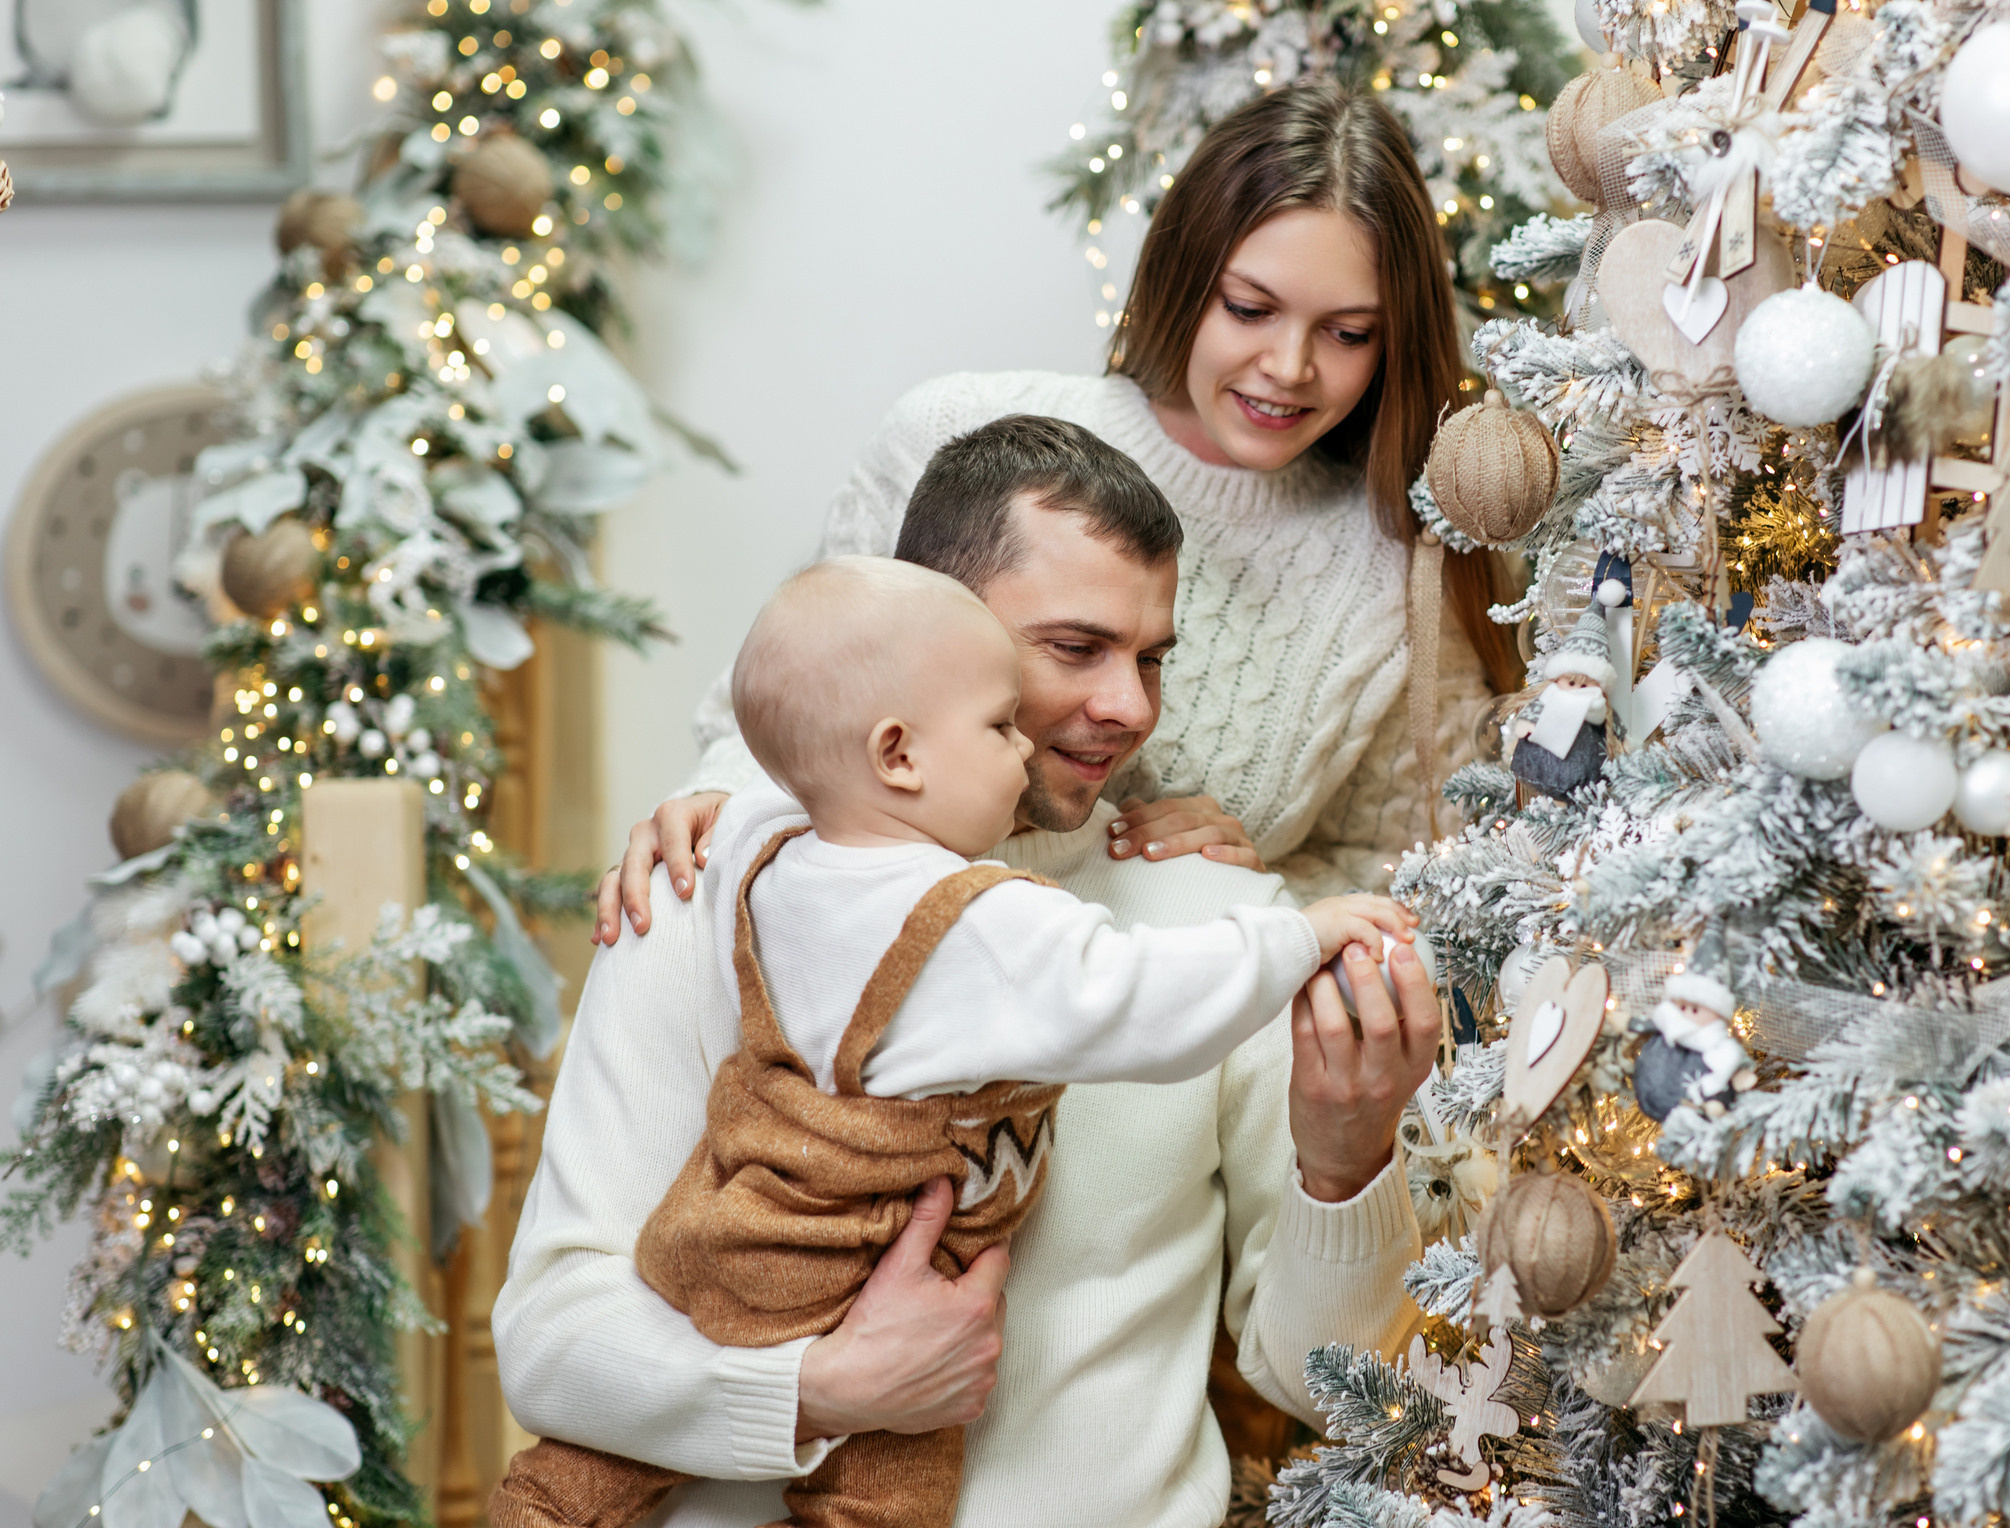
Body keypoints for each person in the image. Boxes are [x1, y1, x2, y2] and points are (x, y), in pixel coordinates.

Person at [494, 417, 1441, 1528]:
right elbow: (550, 1341)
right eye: (1075, 649)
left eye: (1150, 658)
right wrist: (817, 1393)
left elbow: (1334, 1384)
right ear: (930, 636)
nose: (1131, 708)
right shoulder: (707, 884)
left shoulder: (1216, 928)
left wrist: (1347, 1162)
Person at [597, 80, 1518, 942]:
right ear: (1184, 277)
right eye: (1249, 308)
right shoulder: (953, 432)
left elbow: (1418, 872)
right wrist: (715, 805)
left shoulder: (1400, 560)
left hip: (1164, 1081)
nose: (1290, 366)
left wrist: (1252, 881)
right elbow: (784, 709)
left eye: (1348, 332)